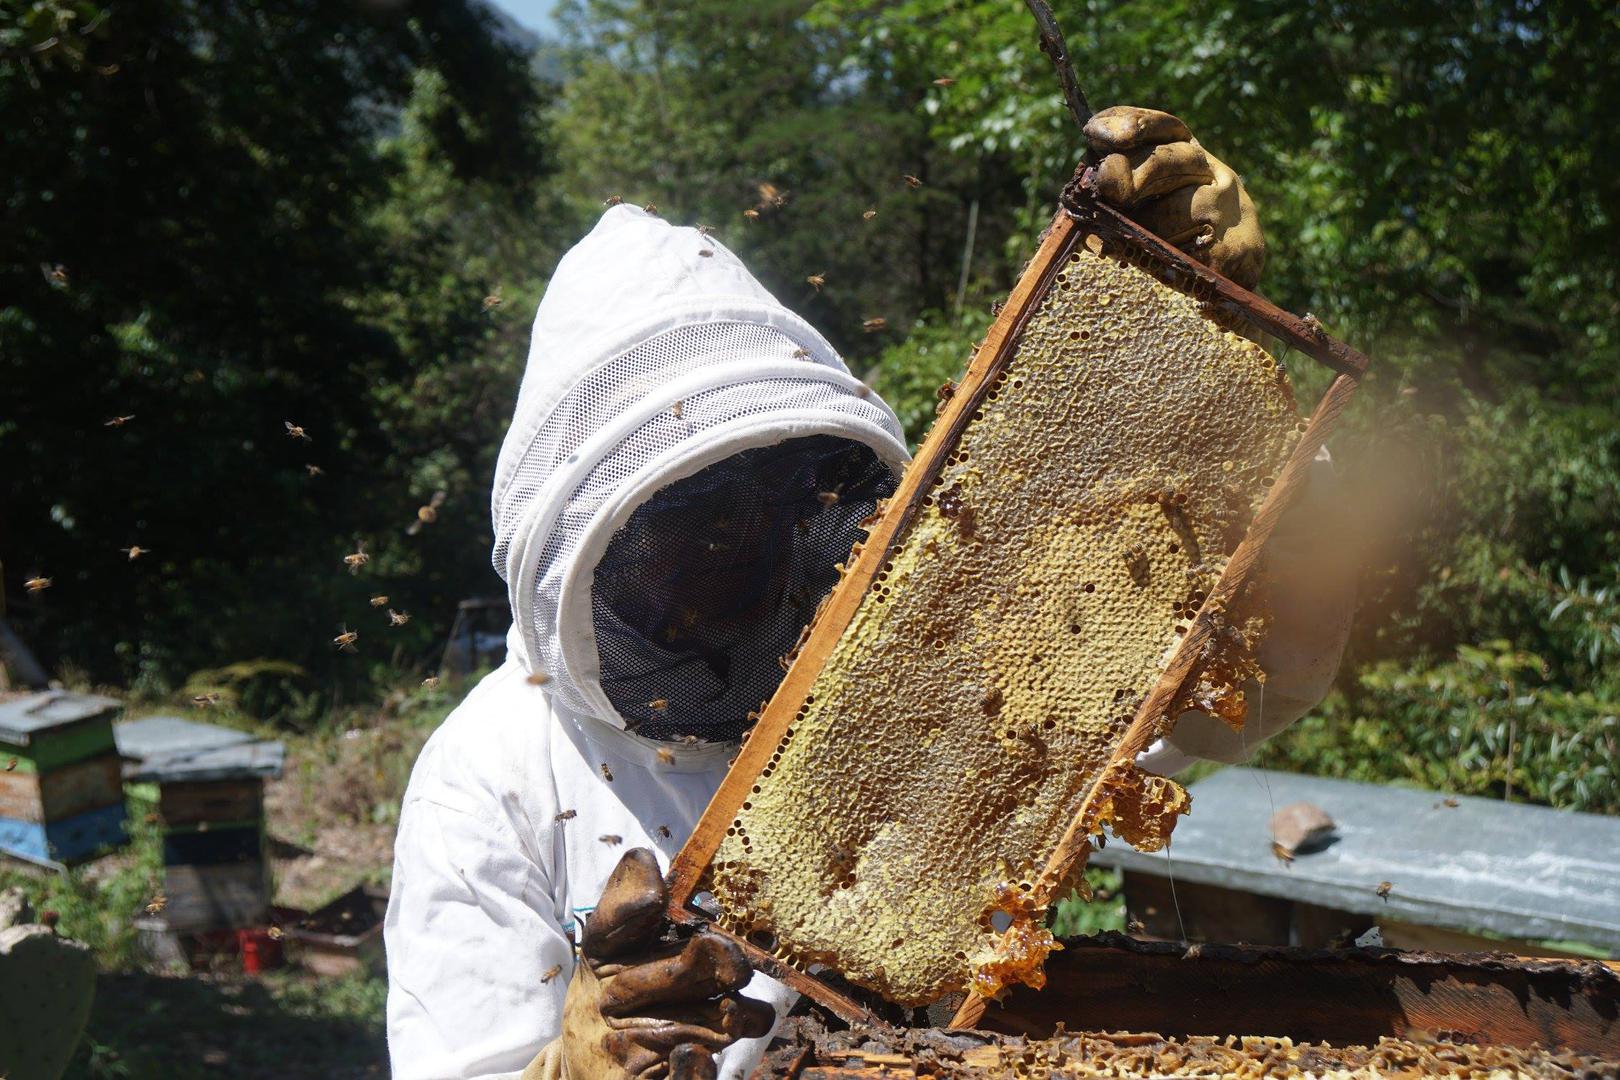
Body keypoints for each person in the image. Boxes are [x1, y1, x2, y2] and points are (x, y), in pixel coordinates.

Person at [383, 107, 1355, 1080]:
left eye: (781, 507)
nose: (753, 562)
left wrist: (1197, 332)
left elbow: (1261, 679)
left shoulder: (915, 674)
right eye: (701, 530)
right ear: (594, 549)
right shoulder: (491, 775)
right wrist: (573, 1067)